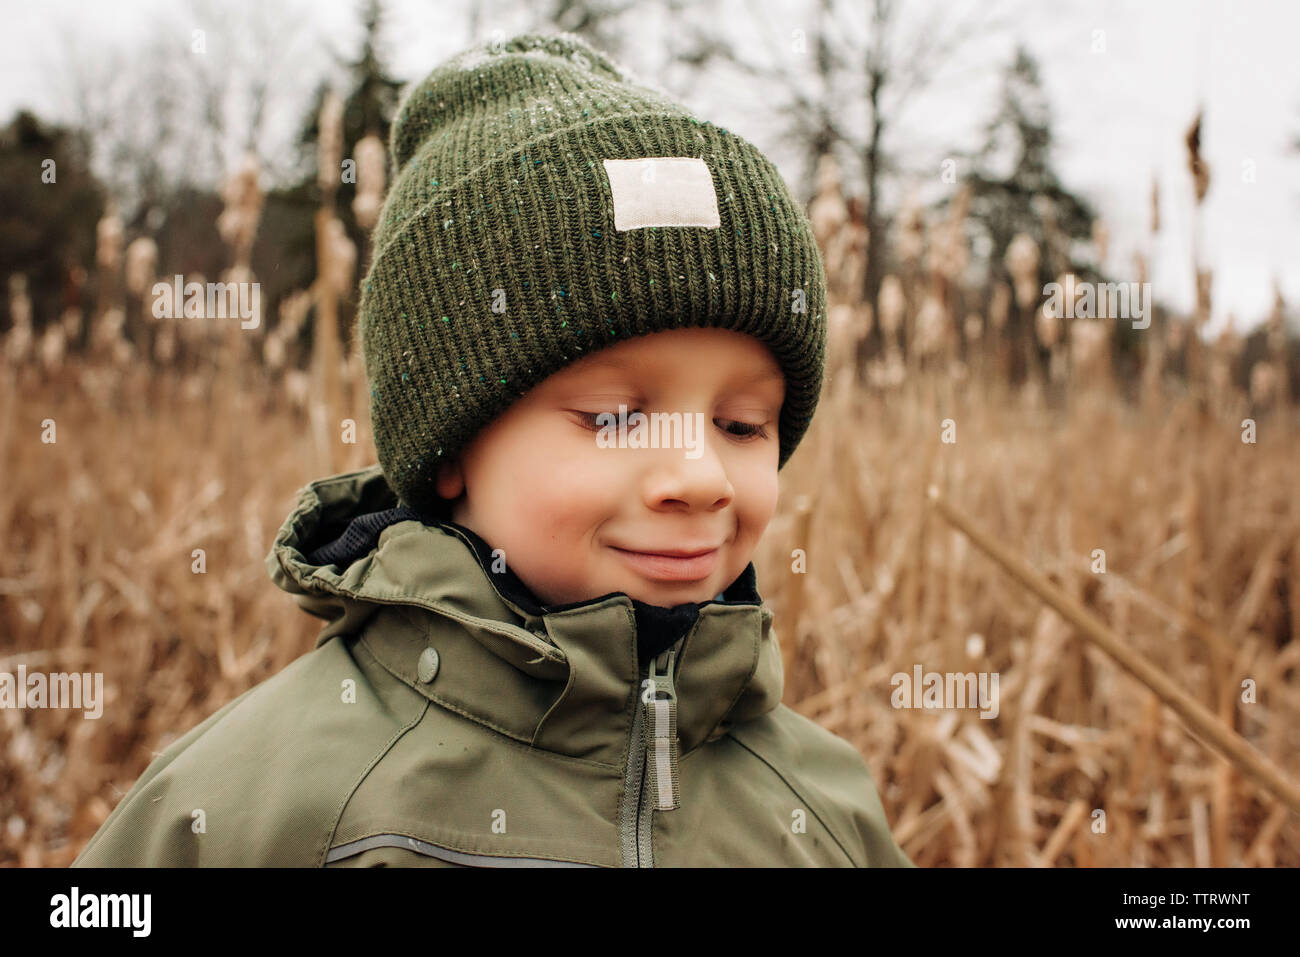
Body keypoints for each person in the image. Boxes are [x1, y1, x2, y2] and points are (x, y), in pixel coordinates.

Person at [72, 31, 913, 868]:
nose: (698, 477)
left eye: (741, 425)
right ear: (451, 447)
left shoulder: (824, 813)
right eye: (615, 417)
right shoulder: (253, 810)